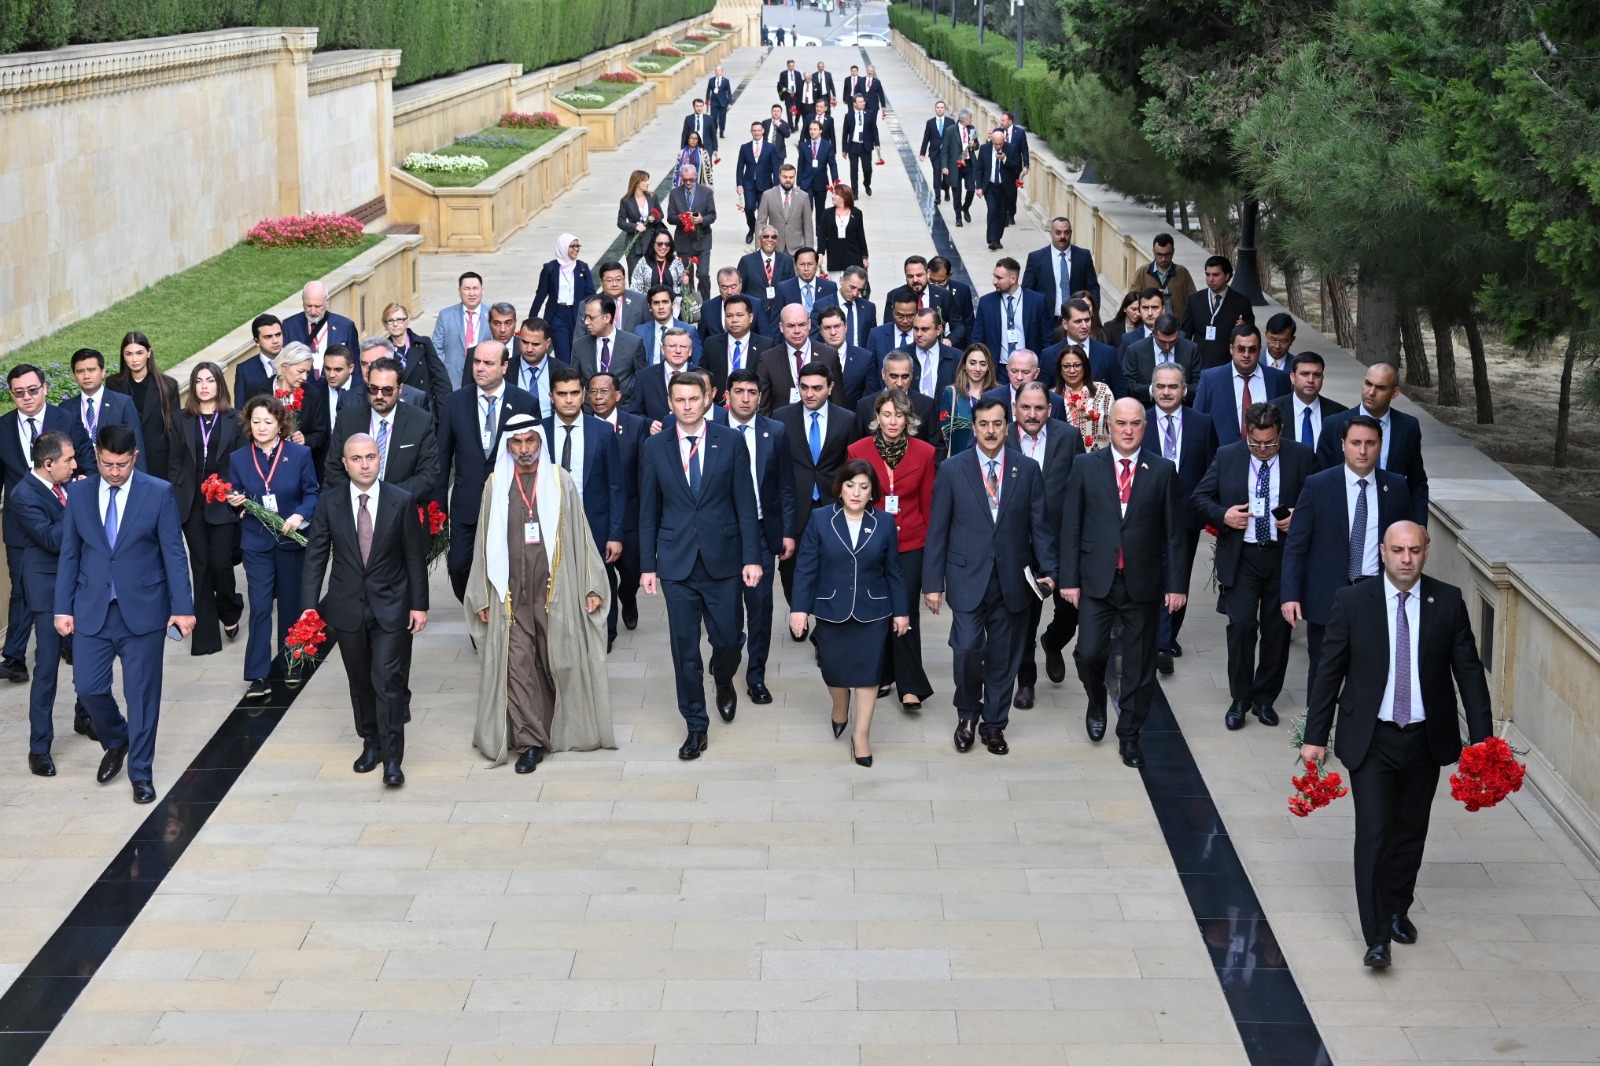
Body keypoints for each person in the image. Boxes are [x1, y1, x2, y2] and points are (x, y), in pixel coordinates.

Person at [1301, 521, 1493, 969]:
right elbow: (1329, 671)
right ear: (1382, 552)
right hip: (1371, 738)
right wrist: (1315, 737)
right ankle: (1376, 937)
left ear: (1426, 552)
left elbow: (1468, 672)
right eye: (1397, 550)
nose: (1406, 558)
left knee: (1410, 831)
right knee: (1373, 831)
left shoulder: (1447, 601)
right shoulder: (1352, 601)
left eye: (1414, 550)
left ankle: (1397, 908)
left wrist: (1482, 740)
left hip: (1426, 738)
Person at [55, 423, 194, 803]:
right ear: (96, 455)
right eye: (106, 463)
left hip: (144, 612)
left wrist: (183, 608)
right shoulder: (80, 492)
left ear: (134, 457)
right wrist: (61, 608)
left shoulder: (158, 493)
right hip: (91, 610)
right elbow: (70, 553)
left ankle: (141, 774)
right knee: (89, 687)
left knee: (142, 696)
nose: (114, 472)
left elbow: (174, 555)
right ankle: (118, 739)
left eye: (122, 465)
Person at [639, 373, 763, 759]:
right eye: (680, 399)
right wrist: (647, 565)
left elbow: (745, 504)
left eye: (695, 398)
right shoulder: (654, 447)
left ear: (708, 400)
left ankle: (723, 677)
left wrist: (752, 558)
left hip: (723, 559)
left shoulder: (730, 441)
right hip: (676, 564)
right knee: (684, 650)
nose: (688, 405)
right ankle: (696, 724)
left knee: (727, 639)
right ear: (671, 402)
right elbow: (647, 510)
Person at [1059, 399, 1188, 768]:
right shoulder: (1086, 466)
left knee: (1139, 664)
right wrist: (1069, 579)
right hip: (1097, 581)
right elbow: (1071, 526)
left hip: (1143, 584)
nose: (1128, 430)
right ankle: (1096, 699)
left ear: (1144, 427)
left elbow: (1175, 535)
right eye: (1121, 423)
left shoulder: (1162, 470)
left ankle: (1130, 735)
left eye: (1135, 423)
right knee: (1087, 654)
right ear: (1109, 427)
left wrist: (1176, 585)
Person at [924, 397, 1056, 756]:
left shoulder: (1026, 469)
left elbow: (1039, 526)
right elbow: (937, 530)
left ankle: (994, 725)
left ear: (1007, 425)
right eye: (984, 424)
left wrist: (1050, 572)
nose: (991, 431)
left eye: (998, 424)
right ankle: (967, 714)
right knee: (966, 649)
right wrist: (933, 583)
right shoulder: (953, 469)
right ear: (975, 427)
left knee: (1004, 656)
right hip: (967, 576)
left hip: (1013, 579)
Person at [299, 433, 428, 786]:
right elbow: (315, 558)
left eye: (371, 457)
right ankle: (370, 742)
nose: (365, 464)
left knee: (387, 680)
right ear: (345, 463)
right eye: (357, 459)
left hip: (393, 606)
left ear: (379, 458)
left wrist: (419, 604)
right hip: (347, 607)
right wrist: (309, 609)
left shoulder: (400, 501)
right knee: (360, 682)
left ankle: (393, 759)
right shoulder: (330, 503)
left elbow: (415, 558)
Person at [1192, 403, 1315, 729]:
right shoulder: (1229, 455)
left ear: (1281, 434)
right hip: (1243, 556)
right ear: (1246, 433)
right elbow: (1199, 498)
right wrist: (1224, 515)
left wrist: (1298, 518)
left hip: (1282, 558)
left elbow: (1320, 501)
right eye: (1256, 443)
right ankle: (1240, 699)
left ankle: (1265, 699)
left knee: (1278, 632)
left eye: (1269, 443)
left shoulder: (1301, 457)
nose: (1262, 450)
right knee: (1242, 626)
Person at [1281, 415, 1414, 701]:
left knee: (1372, 671)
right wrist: (1290, 595)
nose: (1362, 451)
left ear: (1380, 446)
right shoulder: (1318, 485)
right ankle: (1314, 735)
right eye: (1356, 443)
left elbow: (1404, 544)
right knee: (1323, 670)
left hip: (1376, 595)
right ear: (1343, 445)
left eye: (1370, 443)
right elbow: (1296, 545)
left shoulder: (1396, 487)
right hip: (1327, 596)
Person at [791, 459, 909, 767]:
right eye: (850, 485)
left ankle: (861, 735)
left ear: (873, 493)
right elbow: (805, 568)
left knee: (869, 675)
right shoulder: (819, 519)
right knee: (832, 670)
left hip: (873, 611)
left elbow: (894, 571)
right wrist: (799, 610)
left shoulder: (883, 522)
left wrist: (901, 612)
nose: (856, 492)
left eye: (864, 487)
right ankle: (839, 706)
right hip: (830, 608)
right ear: (839, 488)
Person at [847, 389, 937, 711]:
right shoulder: (857, 450)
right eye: (887, 414)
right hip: (872, 543)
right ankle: (883, 673)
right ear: (877, 417)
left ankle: (911, 685)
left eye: (899, 415)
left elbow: (928, 505)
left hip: (911, 542)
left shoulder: (925, 453)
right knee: (878, 609)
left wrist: (932, 558)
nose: (893, 421)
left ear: (908, 418)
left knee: (906, 609)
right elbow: (852, 502)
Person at [226, 395, 318, 699]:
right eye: (256, 421)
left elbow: (312, 494)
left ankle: (291, 662)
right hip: (256, 541)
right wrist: (236, 503)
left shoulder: (300, 454)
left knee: (291, 604)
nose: (262, 427)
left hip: (291, 540)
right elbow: (236, 497)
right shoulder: (239, 458)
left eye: (268, 421)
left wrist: (299, 514)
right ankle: (257, 675)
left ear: (281, 423)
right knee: (261, 606)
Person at [714, 369, 796, 702]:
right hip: (722, 533)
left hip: (762, 532)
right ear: (727, 395)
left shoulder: (775, 431)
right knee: (724, 609)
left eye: (752, 392)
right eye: (739, 391)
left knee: (760, 607)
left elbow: (786, 486)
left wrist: (787, 532)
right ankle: (725, 663)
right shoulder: (712, 430)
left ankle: (756, 677)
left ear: (760, 396)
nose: (745, 398)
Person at [436, 340, 538, 601]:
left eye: (488, 363)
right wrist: (439, 512)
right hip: (467, 505)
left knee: (509, 570)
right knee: (458, 567)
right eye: (477, 362)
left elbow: (535, 461)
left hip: (509, 504)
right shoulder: (455, 402)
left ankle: (499, 622)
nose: (480, 368)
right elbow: (442, 459)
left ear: (505, 366)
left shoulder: (525, 402)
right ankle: (476, 611)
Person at [1, 363, 83, 684]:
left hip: (59, 521)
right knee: (22, 589)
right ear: (11, 395)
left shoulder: (65, 419)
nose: (27, 397)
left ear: (45, 388)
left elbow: (82, 458)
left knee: (64, 583)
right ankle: (15, 656)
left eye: (32, 390)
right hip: (19, 528)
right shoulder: (3, 427)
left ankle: (69, 642)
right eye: (19, 392)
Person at [1008, 382, 1087, 708]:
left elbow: (1083, 485)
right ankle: (1025, 681)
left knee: (1071, 611)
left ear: (1050, 410)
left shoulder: (1068, 437)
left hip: (1061, 542)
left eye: (1039, 408)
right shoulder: (1003, 435)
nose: (1032, 414)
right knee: (1024, 619)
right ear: (1015, 409)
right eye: (1025, 407)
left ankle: (1053, 642)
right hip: (1020, 547)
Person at [14, 431, 85, 776]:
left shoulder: (68, 486)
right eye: (69, 460)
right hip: (47, 590)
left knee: (87, 656)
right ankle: (39, 747)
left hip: (80, 585)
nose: (75, 465)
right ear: (48, 464)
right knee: (47, 670)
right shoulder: (22, 495)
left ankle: (85, 717)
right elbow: (51, 539)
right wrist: (80, 506)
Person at [1141, 363, 1219, 669]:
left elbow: (1213, 468)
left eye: (1173, 386)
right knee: (1153, 576)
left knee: (1178, 575)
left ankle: (1167, 636)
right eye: (1160, 386)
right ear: (1152, 389)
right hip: (1146, 516)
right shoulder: (1140, 422)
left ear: (1185, 390)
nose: (1166, 392)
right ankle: (1159, 640)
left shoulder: (1202, 423)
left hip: (1186, 516)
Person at [171, 362, 245, 657]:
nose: (204, 385)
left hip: (223, 499)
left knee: (220, 562)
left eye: (210, 380)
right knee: (200, 565)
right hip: (192, 501)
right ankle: (205, 640)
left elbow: (240, 461)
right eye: (199, 380)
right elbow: (174, 462)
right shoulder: (180, 419)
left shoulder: (235, 418)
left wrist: (237, 494)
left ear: (219, 385)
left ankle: (229, 608)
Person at [773, 362, 855, 605]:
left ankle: (824, 621)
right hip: (795, 507)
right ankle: (798, 610)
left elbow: (850, 465)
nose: (809, 394)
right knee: (790, 568)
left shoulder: (847, 419)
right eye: (804, 387)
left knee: (833, 566)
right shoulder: (781, 417)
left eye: (817, 388)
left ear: (830, 388)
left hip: (833, 504)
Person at [1315, 361, 1429, 525]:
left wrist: (1419, 526)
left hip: (1391, 523)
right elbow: (1320, 478)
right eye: (1368, 383)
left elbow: (1417, 482)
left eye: (1381, 387)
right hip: (1342, 520)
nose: (1371, 392)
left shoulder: (1408, 427)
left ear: (1395, 392)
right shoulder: (1334, 424)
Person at [586, 373, 649, 642]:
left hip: (631, 513)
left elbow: (646, 471)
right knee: (604, 572)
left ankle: (628, 598)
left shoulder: (637, 425)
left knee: (632, 570)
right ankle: (608, 628)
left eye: (604, 391)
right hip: (598, 514)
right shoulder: (583, 426)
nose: (599, 397)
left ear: (618, 395)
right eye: (593, 392)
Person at [324, 357, 440, 501]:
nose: (379, 396)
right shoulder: (347, 419)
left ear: (400, 389)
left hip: (400, 509)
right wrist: (360, 496)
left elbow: (428, 475)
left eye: (387, 390)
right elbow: (333, 468)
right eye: (373, 388)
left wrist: (384, 497)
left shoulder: (420, 421)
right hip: (355, 507)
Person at [1193, 325, 1292, 446]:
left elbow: (1286, 422)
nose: (1246, 354)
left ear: (1260, 349)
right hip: (1222, 457)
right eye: (1241, 349)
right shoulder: (1210, 379)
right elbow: (1197, 422)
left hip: (1266, 454)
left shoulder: (1279, 379)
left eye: (1252, 349)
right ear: (1231, 349)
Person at [247, 342, 331, 476]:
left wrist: (305, 440)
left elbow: (321, 433)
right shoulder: (257, 390)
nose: (304, 377)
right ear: (285, 367)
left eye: (307, 372)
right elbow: (246, 428)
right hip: (262, 466)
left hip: (297, 467)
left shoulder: (313, 394)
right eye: (300, 371)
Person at [106, 332, 179, 483]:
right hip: (123, 458)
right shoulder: (113, 384)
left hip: (159, 460)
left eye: (139, 353)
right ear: (123, 356)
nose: (134, 359)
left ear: (149, 353)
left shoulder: (168, 385)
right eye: (129, 354)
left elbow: (175, 429)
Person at [757, 305, 844, 415]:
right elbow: (763, 409)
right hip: (783, 428)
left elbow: (838, 404)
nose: (797, 331)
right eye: (791, 326)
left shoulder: (829, 355)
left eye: (802, 324)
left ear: (809, 324)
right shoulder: (768, 359)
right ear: (781, 327)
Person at [63, 348, 145, 464]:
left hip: (116, 473)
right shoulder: (65, 408)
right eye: (80, 371)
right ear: (74, 375)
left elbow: (136, 445)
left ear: (103, 372)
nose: (86, 376)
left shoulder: (123, 403)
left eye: (91, 370)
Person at [527, 234, 594, 365]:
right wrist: (531, 319)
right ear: (563, 247)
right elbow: (541, 295)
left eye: (577, 246)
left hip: (578, 315)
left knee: (577, 351)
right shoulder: (550, 268)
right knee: (563, 354)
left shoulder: (583, 267)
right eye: (572, 246)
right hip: (557, 315)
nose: (576, 249)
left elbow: (590, 294)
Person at [1181, 255, 1257, 370]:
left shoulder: (1241, 302)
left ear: (1227, 276)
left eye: (1216, 275)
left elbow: (1250, 334)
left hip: (1227, 364)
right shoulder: (1194, 300)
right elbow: (1186, 333)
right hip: (1199, 363)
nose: (1210, 279)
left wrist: (1243, 328)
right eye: (1208, 274)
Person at [1041, 297, 1128, 397]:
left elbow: (1121, 394)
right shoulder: (1049, 355)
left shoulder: (1107, 353)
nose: (1084, 326)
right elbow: (1042, 396)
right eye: (1078, 321)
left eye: (1087, 320)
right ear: (1065, 324)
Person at [974, 258, 1052, 364]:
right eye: (994, 276)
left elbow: (1046, 338)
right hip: (998, 369)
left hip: (1028, 369)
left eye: (999, 278)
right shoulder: (986, 302)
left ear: (1013, 279)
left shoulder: (1037, 301)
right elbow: (977, 338)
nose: (994, 281)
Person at [571, 295, 647, 404]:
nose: (586, 322)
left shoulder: (633, 343)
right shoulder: (579, 345)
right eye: (585, 317)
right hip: (591, 412)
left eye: (591, 317)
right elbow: (574, 382)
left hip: (624, 411)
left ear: (607, 318)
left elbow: (642, 380)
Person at [380, 302, 452, 416]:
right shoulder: (383, 350)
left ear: (407, 320)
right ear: (385, 324)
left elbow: (440, 379)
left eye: (399, 319)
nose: (395, 324)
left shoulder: (423, 344)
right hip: (397, 410)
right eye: (390, 320)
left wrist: (444, 413)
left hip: (424, 408)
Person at [856, 353, 941, 448]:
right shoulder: (865, 405)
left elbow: (937, 447)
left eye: (905, 377)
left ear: (912, 375)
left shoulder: (927, 405)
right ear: (883, 374)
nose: (900, 383)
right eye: (894, 376)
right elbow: (857, 447)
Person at [1022, 217, 1101, 316]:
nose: (1062, 236)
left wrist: (1094, 313)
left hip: (1077, 320)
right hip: (1047, 322)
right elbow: (1027, 291)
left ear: (1071, 233)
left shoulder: (1083, 256)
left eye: (1066, 232)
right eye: (1058, 233)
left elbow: (1093, 287)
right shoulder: (1036, 258)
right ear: (1051, 233)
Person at [1272, 351, 1347, 452]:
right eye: (1305, 374)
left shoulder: (1339, 413)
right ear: (1292, 377)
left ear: (1322, 378)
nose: (1311, 380)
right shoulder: (1273, 410)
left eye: (1317, 375)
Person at [1123, 312, 1202, 406]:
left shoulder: (1191, 349)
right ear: (1153, 334)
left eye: (1172, 341)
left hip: (1183, 410)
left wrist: (1180, 391)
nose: (1167, 347)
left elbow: (1200, 384)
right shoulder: (1135, 350)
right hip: (1147, 409)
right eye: (1162, 342)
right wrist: (1153, 390)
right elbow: (1127, 385)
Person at [701, 294, 772, 397]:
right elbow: (703, 377)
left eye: (739, 315)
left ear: (751, 317)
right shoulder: (711, 344)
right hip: (720, 406)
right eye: (729, 316)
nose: (734, 320)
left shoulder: (766, 345)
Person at [281, 280, 359, 372]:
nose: (313, 311)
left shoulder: (345, 326)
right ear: (302, 300)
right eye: (308, 305)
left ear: (327, 301)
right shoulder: (289, 326)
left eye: (318, 306)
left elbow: (355, 367)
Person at [432, 271, 490, 390]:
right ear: (459, 291)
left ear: (482, 290)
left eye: (475, 288)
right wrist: (442, 375)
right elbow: (436, 349)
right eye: (467, 289)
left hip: (485, 378)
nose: (472, 293)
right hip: (453, 381)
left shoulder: (492, 315)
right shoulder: (445, 315)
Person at [938, 344, 998, 458]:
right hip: (959, 461)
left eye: (983, 364)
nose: (977, 369)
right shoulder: (951, 393)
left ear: (988, 367)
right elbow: (944, 434)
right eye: (972, 363)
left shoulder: (997, 394)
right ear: (964, 365)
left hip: (991, 459)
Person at [666, 164, 716, 301]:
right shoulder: (674, 193)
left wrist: (701, 220)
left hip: (703, 239)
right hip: (683, 241)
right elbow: (670, 217)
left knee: (703, 274)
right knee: (686, 277)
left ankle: (705, 303)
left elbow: (712, 215)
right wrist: (683, 219)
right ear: (681, 178)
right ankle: (690, 304)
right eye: (685, 180)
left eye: (691, 179)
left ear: (695, 177)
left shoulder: (706, 192)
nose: (688, 182)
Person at [815, 305, 879, 409]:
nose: (833, 332)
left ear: (846, 327)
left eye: (837, 326)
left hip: (854, 420)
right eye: (827, 328)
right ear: (820, 331)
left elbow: (872, 396)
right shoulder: (812, 357)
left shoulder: (865, 358)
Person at [1053, 344, 1114, 450]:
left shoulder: (1103, 391)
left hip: (1100, 457)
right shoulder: (1053, 396)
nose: (1072, 371)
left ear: (1085, 366)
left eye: (1077, 365)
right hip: (1067, 459)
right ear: (1060, 369)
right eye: (1066, 366)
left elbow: (1115, 426)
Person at [1132, 233, 1197, 317]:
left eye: (1167, 254)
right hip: (1151, 324)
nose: (1163, 259)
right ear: (1153, 252)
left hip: (1177, 325)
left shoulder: (1182, 272)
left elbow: (1193, 299)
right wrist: (1151, 295)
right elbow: (1132, 299)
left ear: (1173, 252)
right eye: (1159, 254)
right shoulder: (1143, 271)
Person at [735, 120, 780, 244]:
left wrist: (776, 185)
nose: (756, 133)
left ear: (763, 131)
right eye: (754, 130)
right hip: (748, 183)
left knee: (762, 210)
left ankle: (761, 233)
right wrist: (739, 184)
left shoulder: (770, 147)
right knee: (749, 207)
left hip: (765, 184)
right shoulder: (745, 147)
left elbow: (775, 167)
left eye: (759, 130)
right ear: (751, 132)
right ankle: (752, 228)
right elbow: (740, 167)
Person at [509, 318, 561, 421]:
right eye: (524, 342)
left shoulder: (561, 370)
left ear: (548, 343)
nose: (529, 349)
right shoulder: (506, 369)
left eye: (535, 344)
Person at [636, 286, 703, 366]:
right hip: (650, 376)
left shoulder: (689, 330)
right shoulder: (640, 331)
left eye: (665, 302)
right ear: (650, 307)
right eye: (656, 303)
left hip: (680, 377)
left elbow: (698, 364)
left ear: (673, 304)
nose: (661, 307)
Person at [757, 165, 815, 256]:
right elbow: (761, 222)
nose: (788, 180)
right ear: (779, 176)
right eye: (785, 177)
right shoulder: (768, 195)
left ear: (795, 177)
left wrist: (810, 250)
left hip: (797, 249)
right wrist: (759, 247)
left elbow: (808, 226)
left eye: (791, 177)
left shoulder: (803, 196)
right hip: (774, 247)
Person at [977, 129, 1020, 251]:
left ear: (1004, 141)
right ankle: (992, 240)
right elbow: (979, 169)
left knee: (1001, 214)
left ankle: (997, 239)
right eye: (995, 144)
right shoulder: (984, 149)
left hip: (1005, 187)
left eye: (1000, 144)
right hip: (990, 186)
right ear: (992, 141)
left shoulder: (1011, 149)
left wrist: (1005, 160)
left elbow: (1017, 167)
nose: (998, 146)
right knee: (992, 210)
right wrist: (979, 187)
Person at [617, 170, 667, 272]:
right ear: (636, 183)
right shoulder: (626, 200)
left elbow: (661, 214)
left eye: (648, 180)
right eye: (645, 181)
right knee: (636, 272)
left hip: (651, 239)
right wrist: (635, 226)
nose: (648, 183)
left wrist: (654, 219)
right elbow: (621, 222)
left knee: (652, 272)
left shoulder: (652, 197)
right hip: (634, 241)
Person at [795, 120, 839, 233]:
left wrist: (835, 180)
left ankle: (820, 235)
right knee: (807, 208)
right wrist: (798, 182)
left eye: (814, 129)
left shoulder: (827, 146)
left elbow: (832, 164)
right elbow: (800, 164)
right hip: (806, 182)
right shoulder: (804, 146)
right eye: (810, 129)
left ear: (820, 130)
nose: (812, 132)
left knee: (820, 210)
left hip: (821, 182)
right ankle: (806, 233)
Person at [819, 183, 869, 275]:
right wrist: (820, 254)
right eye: (832, 193)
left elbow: (861, 236)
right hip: (835, 258)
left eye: (835, 194)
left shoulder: (857, 213)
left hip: (853, 258)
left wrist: (865, 257)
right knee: (835, 287)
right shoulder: (827, 213)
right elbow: (822, 235)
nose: (832, 196)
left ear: (844, 197)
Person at [773, 247, 837, 317]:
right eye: (802, 264)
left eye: (810, 264)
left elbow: (836, 316)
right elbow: (776, 321)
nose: (806, 269)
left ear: (816, 265)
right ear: (795, 265)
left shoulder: (830, 288)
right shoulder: (784, 288)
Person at [631, 231, 689, 298]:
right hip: (649, 305)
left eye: (667, 244)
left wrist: (685, 284)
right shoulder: (643, 263)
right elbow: (635, 289)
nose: (664, 247)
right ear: (653, 244)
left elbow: (683, 291)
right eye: (659, 244)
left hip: (672, 305)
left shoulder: (676, 262)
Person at [596, 260, 648, 334]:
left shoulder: (641, 301)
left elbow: (649, 332)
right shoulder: (589, 304)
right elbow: (579, 339)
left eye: (619, 279)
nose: (614, 284)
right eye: (609, 280)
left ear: (624, 280)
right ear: (601, 282)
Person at [841, 95, 878, 198]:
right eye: (860, 102)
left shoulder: (870, 114)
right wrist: (844, 149)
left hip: (865, 145)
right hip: (853, 145)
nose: (863, 103)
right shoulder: (848, 116)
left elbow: (874, 129)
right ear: (854, 103)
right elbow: (845, 133)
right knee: (853, 169)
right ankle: (854, 192)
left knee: (867, 169)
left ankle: (866, 184)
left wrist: (877, 143)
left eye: (863, 101)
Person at [998, 111, 1030, 225]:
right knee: (1002, 191)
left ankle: (1011, 214)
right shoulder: (998, 131)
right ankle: (1003, 214)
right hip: (1001, 165)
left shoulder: (1019, 133)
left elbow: (1024, 150)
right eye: (1001, 120)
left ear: (1010, 121)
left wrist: (1026, 165)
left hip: (1014, 166)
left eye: (1003, 120)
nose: (1000, 122)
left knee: (1011, 192)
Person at [920, 101, 955, 202]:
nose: (940, 109)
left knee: (946, 173)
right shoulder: (930, 123)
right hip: (935, 153)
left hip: (947, 153)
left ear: (945, 109)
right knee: (937, 172)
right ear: (935, 109)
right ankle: (938, 196)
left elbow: (954, 139)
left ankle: (946, 189)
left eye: (942, 107)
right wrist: (922, 153)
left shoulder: (951, 122)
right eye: (938, 107)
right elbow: (926, 139)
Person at [950, 108, 980, 226]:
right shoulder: (951, 130)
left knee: (971, 189)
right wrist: (945, 166)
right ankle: (958, 217)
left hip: (969, 164)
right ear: (964, 119)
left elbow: (977, 146)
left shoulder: (972, 129)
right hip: (956, 165)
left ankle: (965, 207)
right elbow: (946, 149)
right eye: (970, 118)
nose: (971, 119)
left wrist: (974, 145)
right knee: (957, 193)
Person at [707, 65, 732, 137]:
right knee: (713, 118)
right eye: (716, 70)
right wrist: (707, 100)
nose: (717, 72)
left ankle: (721, 131)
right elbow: (708, 91)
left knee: (722, 118)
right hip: (714, 102)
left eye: (719, 70)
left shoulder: (726, 81)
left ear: (722, 71)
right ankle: (714, 131)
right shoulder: (711, 80)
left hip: (723, 102)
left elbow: (729, 92)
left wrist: (730, 103)